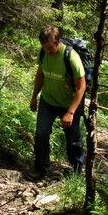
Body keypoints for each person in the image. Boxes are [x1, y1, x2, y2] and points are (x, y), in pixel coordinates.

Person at [29, 26, 86, 181]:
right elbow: (40, 75)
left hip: (69, 104)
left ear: (58, 42)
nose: (48, 51)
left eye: (51, 47)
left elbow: (81, 87)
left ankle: (76, 171)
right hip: (48, 100)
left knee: (73, 139)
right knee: (41, 134)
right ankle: (40, 169)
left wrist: (70, 113)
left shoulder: (71, 57)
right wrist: (34, 97)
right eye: (45, 48)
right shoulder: (43, 54)